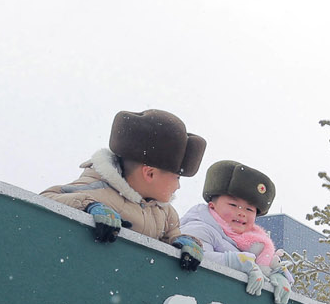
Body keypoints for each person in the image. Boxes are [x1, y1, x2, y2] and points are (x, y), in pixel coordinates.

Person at [41, 109, 207, 269]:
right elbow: (46, 199)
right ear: (149, 174)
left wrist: (182, 243)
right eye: (177, 178)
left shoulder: (166, 213)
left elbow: (169, 237)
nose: (178, 186)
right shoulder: (97, 187)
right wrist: (88, 206)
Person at [177, 160, 293, 303]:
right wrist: (237, 262)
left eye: (249, 209)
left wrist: (276, 277)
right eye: (233, 205)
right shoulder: (200, 228)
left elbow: (260, 272)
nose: (241, 213)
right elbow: (196, 259)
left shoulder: (255, 246)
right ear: (212, 206)